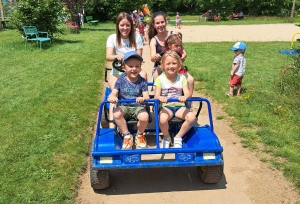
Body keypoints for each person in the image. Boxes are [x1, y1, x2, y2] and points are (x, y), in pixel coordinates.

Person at [106, 12, 147, 128]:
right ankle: (111, 126)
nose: (125, 28)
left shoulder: (136, 37)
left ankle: (143, 106)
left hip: (134, 69)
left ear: (131, 25)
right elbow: (108, 56)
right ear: (117, 26)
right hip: (118, 70)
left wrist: (129, 60)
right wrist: (117, 57)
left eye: (127, 25)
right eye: (122, 25)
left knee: (144, 74)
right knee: (115, 93)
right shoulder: (112, 38)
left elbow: (139, 57)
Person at [108, 51, 150, 150]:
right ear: (124, 67)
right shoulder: (120, 80)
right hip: (124, 106)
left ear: (140, 68)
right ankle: (127, 135)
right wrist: (113, 96)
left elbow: (147, 97)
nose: (134, 69)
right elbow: (114, 92)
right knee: (116, 114)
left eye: (137, 66)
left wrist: (142, 98)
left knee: (144, 116)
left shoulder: (142, 81)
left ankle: (139, 135)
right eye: (130, 66)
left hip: (138, 107)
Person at [154, 50, 196, 148]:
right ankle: (166, 136)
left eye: (174, 63)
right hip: (166, 106)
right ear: (163, 65)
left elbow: (187, 93)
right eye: (168, 63)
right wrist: (161, 98)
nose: (171, 66)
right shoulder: (160, 79)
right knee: (163, 119)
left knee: (192, 117)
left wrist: (184, 96)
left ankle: (178, 136)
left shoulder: (182, 78)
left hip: (179, 106)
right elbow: (156, 95)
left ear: (179, 65)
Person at [148, 11, 187, 82]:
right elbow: (152, 58)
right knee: (157, 76)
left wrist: (184, 55)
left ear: (166, 22)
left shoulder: (173, 35)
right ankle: (158, 91)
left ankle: (187, 93)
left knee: (190, 80)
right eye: (157, 23)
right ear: (154, 25)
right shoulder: (154, 40)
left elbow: (183, 51)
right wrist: (156, 56)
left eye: (162, 22)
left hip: (175, 66)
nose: (160, 25)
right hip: (161, 67)